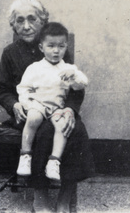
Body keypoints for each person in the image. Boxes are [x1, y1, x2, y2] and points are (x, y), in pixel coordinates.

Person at [0, 0, 94, 213]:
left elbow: (75, 86)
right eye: (19, 21)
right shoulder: (10, 53)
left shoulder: (55, 46)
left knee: (73, 128)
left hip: (58, 108)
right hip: (28, 112)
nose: (26, 26)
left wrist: (70, 110)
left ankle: (65, 198)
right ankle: (40, 196)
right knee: (44, 129)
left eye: (32, 19)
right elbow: (2, 89)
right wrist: (14, 106)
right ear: (13, 25)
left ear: (42, 21)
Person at [16, 22, 89, 181]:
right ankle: (25, 156)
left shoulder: (68, 68)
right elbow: (23, 88)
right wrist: (29, 104)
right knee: (33, 118)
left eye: (61, 46)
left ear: (66, 47)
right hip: (38, 105)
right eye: (51, 46)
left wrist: (74, 76)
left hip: (58, 108)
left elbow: (82, 84)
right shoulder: (34, 68)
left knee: (62, 125)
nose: (56, 51)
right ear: (42, 48)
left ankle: (54, 161)